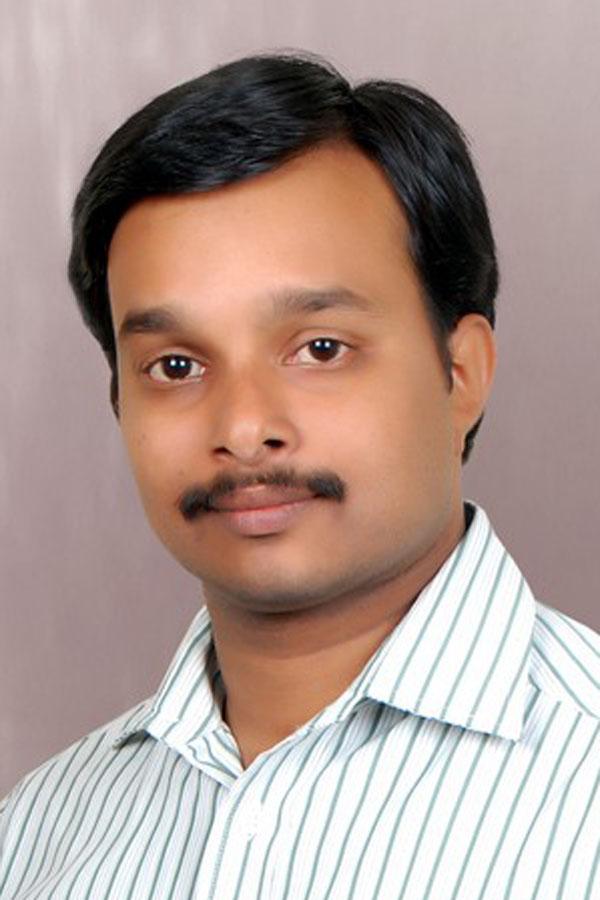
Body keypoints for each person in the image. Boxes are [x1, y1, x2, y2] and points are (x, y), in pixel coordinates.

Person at [1, 51, 598, 900]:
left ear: (461, 372)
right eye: (175, 366)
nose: (245, 429)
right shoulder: (36, 835)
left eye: (320, 349)